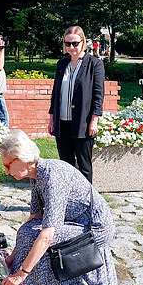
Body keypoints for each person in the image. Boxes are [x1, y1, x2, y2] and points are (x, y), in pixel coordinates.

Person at [0, 129, 117, 285]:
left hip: (93, 227)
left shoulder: (53, 177)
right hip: (72, 222)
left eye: (8, 166)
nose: (6, 172)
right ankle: (20, 283)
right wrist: (13, 258)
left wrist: (22, 273)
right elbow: (35, 217)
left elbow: (48, 236)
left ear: (22, 160)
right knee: (27, 231)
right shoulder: (36, 175)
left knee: (39, 239)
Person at [48, 26, 105, 183]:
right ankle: (69, 197)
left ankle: (86, 200)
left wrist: (94, 119)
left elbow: (98, 95)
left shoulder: (94, 64)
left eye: (75, 43)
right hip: (62, 121)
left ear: (83, 42)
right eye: (67, 44)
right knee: (66, 164)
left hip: (83, 121)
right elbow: (55, 94)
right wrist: (52, 118)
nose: (71, 47)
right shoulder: (62, 64)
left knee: (84, 164)